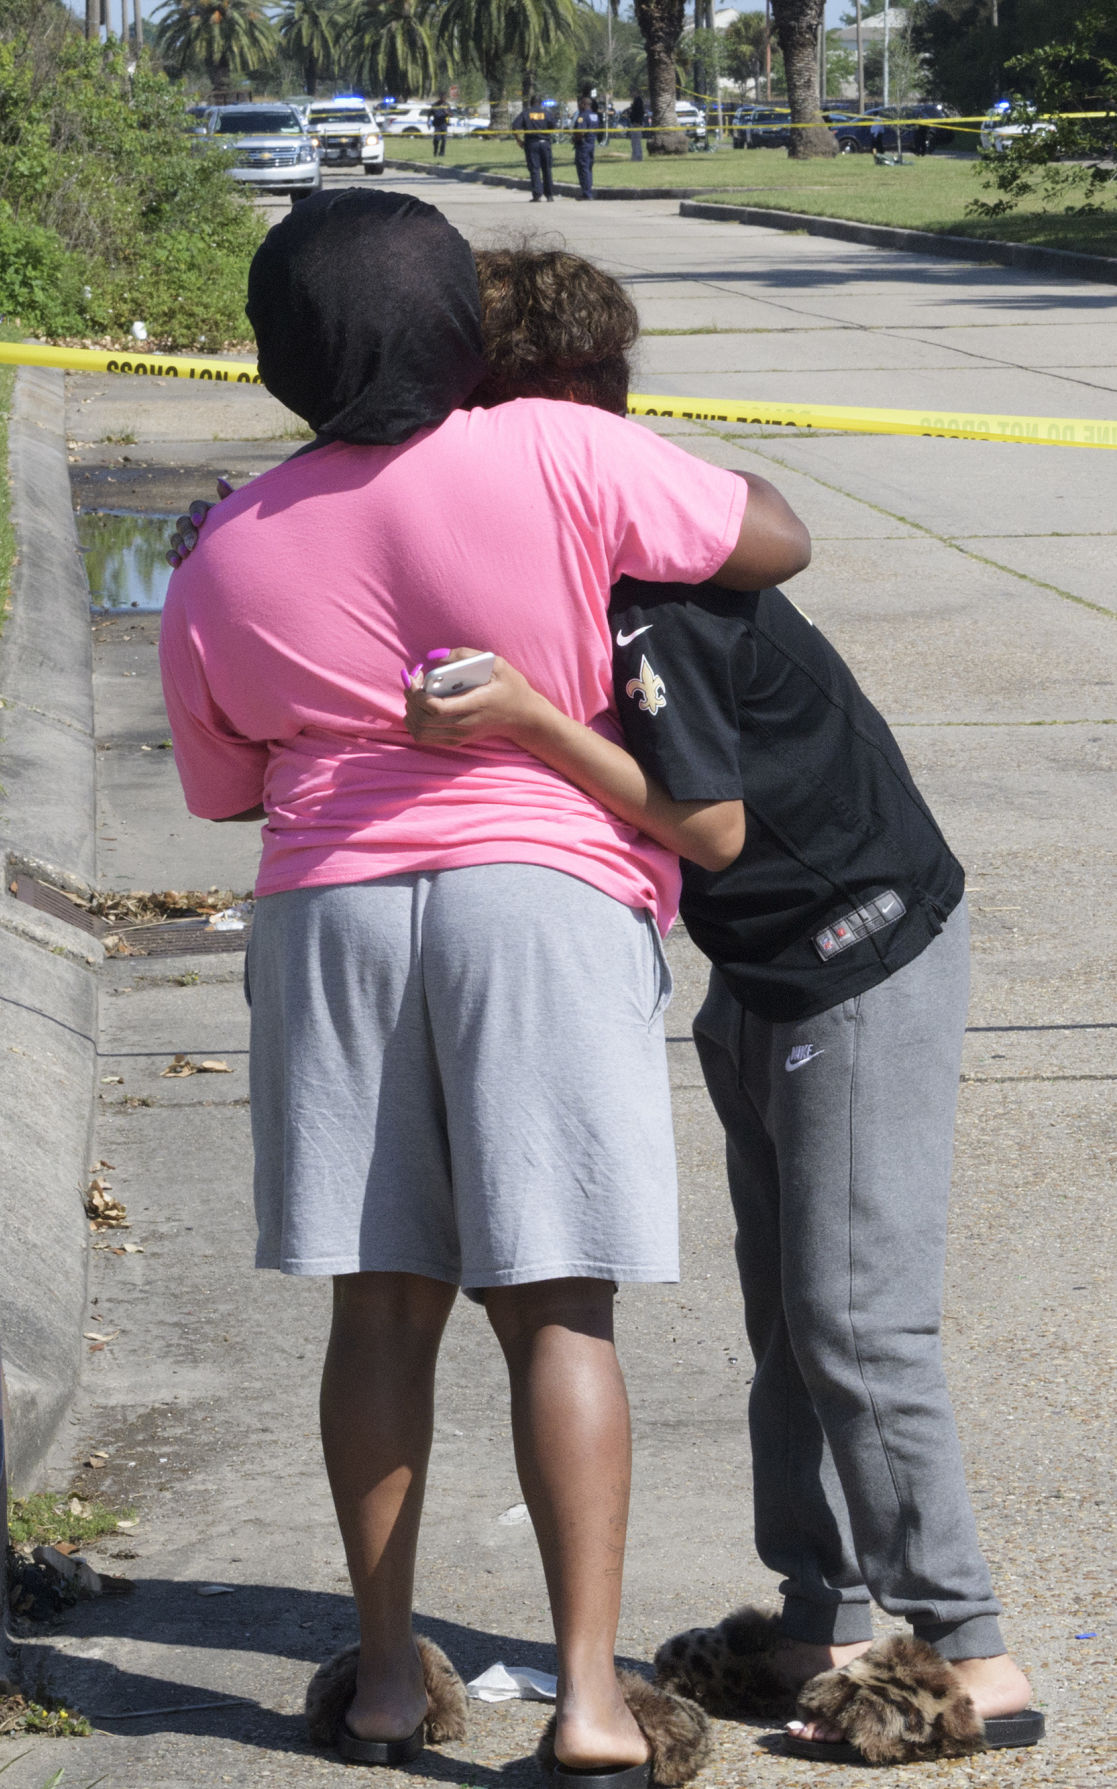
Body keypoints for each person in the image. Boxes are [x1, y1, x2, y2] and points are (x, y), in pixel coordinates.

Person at [159, 191, 810, 1784]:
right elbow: (769, 537)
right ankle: (590, 1704)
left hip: (334, 917)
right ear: (461, 326)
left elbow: (221, 788)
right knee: (556, 1307)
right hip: (547, 897)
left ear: (280, 355)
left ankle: (384, 1679)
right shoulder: (557, 452)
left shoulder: (227, 548)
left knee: (378, 1307)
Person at [404, 246, 1045, 1771]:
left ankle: (972, 1654)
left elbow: (709, 829)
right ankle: (814, 1617)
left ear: (533, 418)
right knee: (783, 1322)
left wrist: (525, 721)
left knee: (852, 1317)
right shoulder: (610, 536)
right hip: (764, 973)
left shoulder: (655, 584)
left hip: (855, 953)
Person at [512, 90, 556, 201]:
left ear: (531, 103)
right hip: (545, 143)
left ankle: (537, 195)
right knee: (547, 169)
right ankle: (549, 195)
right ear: (540, 103)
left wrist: (519, 140)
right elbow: (553, 126)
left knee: (535, 169)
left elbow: (515, 126)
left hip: (532, 144)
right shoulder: (546, 113)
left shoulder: (526, 113)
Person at [572, 90, 601, 199]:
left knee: (583, 169)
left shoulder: (582, 116)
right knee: (588, 169)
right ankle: (587, 191)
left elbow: (580, 132)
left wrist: (574, 139)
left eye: (580, 104)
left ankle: (586, 193)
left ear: (584, 104)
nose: (579, 106)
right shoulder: (595, 116)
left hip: (583, 146)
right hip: (591, 145)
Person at [627, 88, 645, 160]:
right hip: (635, 122)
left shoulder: (638, 101)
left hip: (636, 123)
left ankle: (637, 157)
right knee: (634, 141)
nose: (631, 94)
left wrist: (637, 122)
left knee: (636, 141)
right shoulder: (636, 100)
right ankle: (636, 156)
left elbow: (639, 113)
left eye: (632, 92)